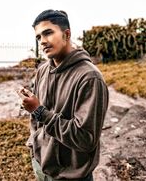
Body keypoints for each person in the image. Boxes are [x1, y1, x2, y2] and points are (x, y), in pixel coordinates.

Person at [17, 9, 109, 181]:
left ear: (67, 34)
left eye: (48, 33)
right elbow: (36, 119)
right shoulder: (43, 69)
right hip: (41, 165)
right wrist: (34, 143)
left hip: (71, 175)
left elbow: (85, 139)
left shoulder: (90, 78)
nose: (42, 41)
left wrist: (39, 111)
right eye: (38, 37)